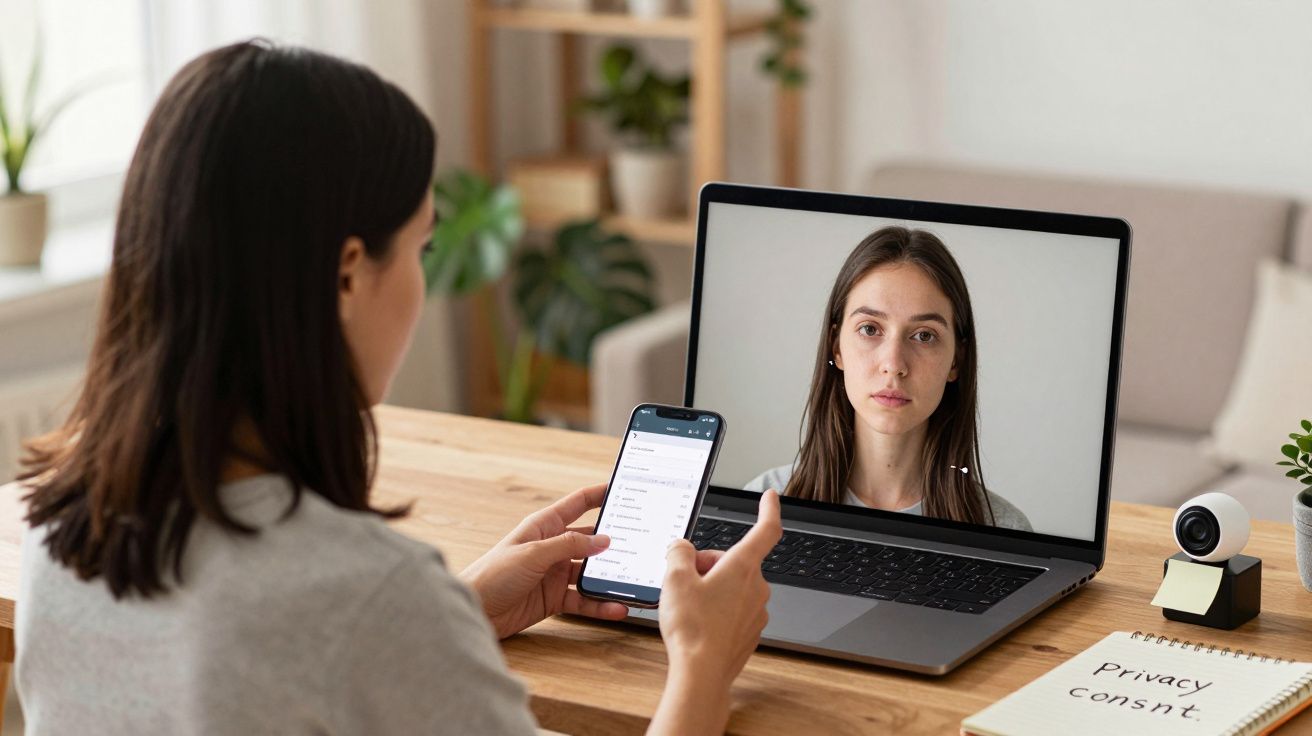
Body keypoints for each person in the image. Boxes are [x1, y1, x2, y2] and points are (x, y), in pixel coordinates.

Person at [14, 41, 780, 735]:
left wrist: (459, 609)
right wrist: (703, 667)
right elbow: (336, 634)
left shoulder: (61, 537)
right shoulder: (363, 597)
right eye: (422, 244)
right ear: (349, 273)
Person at [746, 226, 1031, 531]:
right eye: (870, 329)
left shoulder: (1003, 531)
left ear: (956, 361)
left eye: (924, 335)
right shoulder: (758, 510)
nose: (894, 364)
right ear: (836, 347)